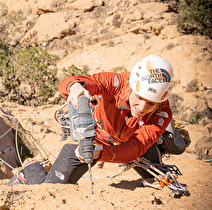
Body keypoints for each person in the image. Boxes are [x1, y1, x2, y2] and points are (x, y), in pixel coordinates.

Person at [10, 55, 187, 187]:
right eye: (139, 98)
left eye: (151, 103)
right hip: (93, 138)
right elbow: (74, 81)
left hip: (130, 144)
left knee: (161, 181)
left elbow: (136, 147)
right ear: (133, 86)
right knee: (52, 188)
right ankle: (32, 171)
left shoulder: (162, 112)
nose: (142, 107)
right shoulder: (117, 83)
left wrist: (101, 154)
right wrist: (76, 87)